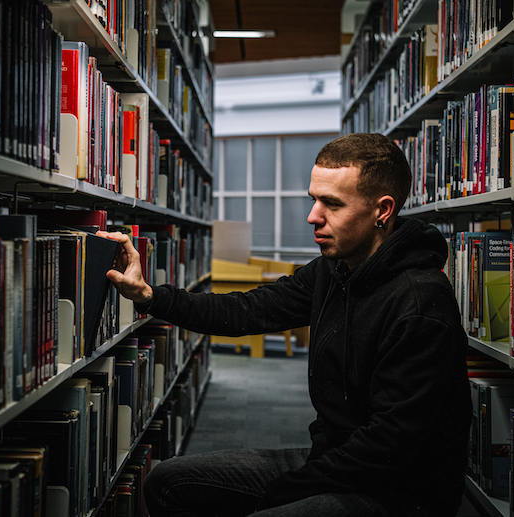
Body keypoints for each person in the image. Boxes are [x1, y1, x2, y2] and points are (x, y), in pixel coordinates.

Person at [98, 133, 472, 517]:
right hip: (333, 457)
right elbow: (249, 310)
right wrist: (149, 296)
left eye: (332, 204)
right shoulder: (334, 270)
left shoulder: (420, 304)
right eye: (314, 199)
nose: (313, 216)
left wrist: (283, 493)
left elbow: (388, 446)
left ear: (383, 210)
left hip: (399, 489)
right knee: (167, 481)